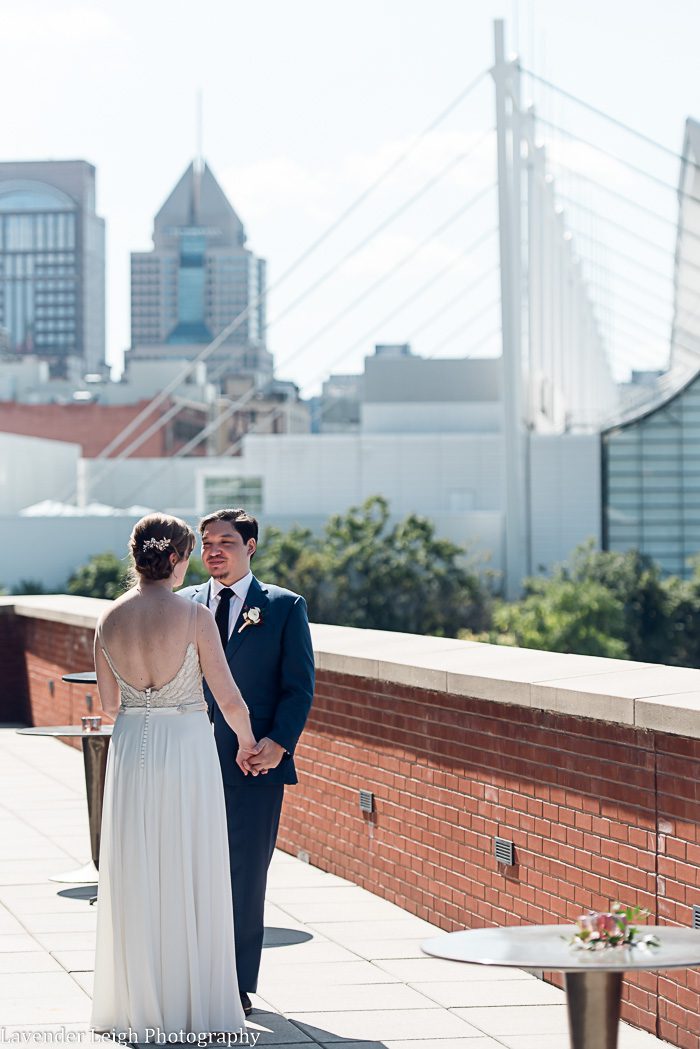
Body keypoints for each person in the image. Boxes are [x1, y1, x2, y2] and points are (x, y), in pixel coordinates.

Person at [91, 512, 257, 1040]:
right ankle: (192, 1003)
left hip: (132, 742)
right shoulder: (194, 616)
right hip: (185, 745)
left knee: (137, 865)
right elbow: (227, 697)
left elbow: (110, 702)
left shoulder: (109, 619)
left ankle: (139, 1002)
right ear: (178, 558)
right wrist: (250, 744)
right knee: (189, 863)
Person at [179, 508, 315, 1017]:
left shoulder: (282, 607)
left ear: (251, 546)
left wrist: (278, 743)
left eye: (226, 542)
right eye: (207, 542)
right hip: (187, 761)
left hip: (253, 765)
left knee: (244, 875)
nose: (214, 551)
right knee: (189, 870)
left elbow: (298, 687)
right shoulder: (181, 606)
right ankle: (191, 974)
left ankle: (235, 985)